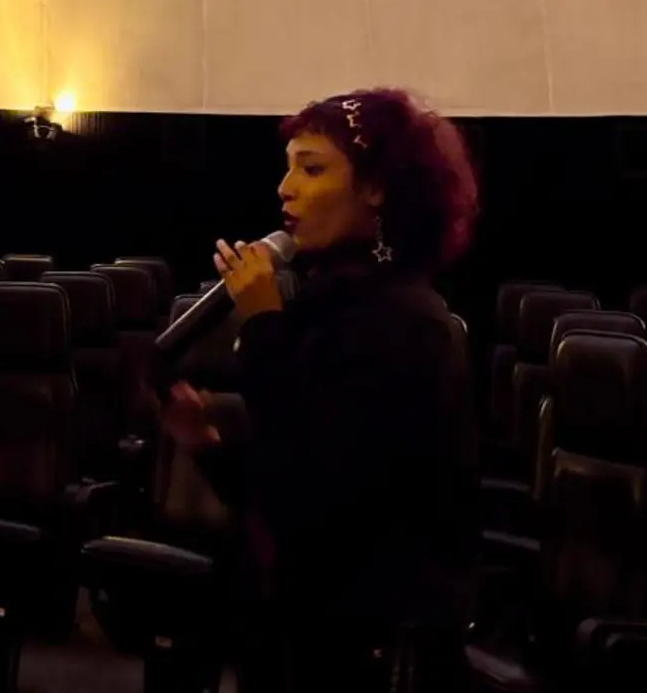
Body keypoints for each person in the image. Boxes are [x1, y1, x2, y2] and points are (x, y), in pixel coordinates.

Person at [164, 87, 480, 692]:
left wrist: (262, 325)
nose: (285, 189)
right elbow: (286, 487)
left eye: (311, 169)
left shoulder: (409, 323)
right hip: (303, 632)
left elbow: (329, 503)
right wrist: (206, 444)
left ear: (376, 188)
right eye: (287, 169)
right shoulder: (324, 304)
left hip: (371, 651)